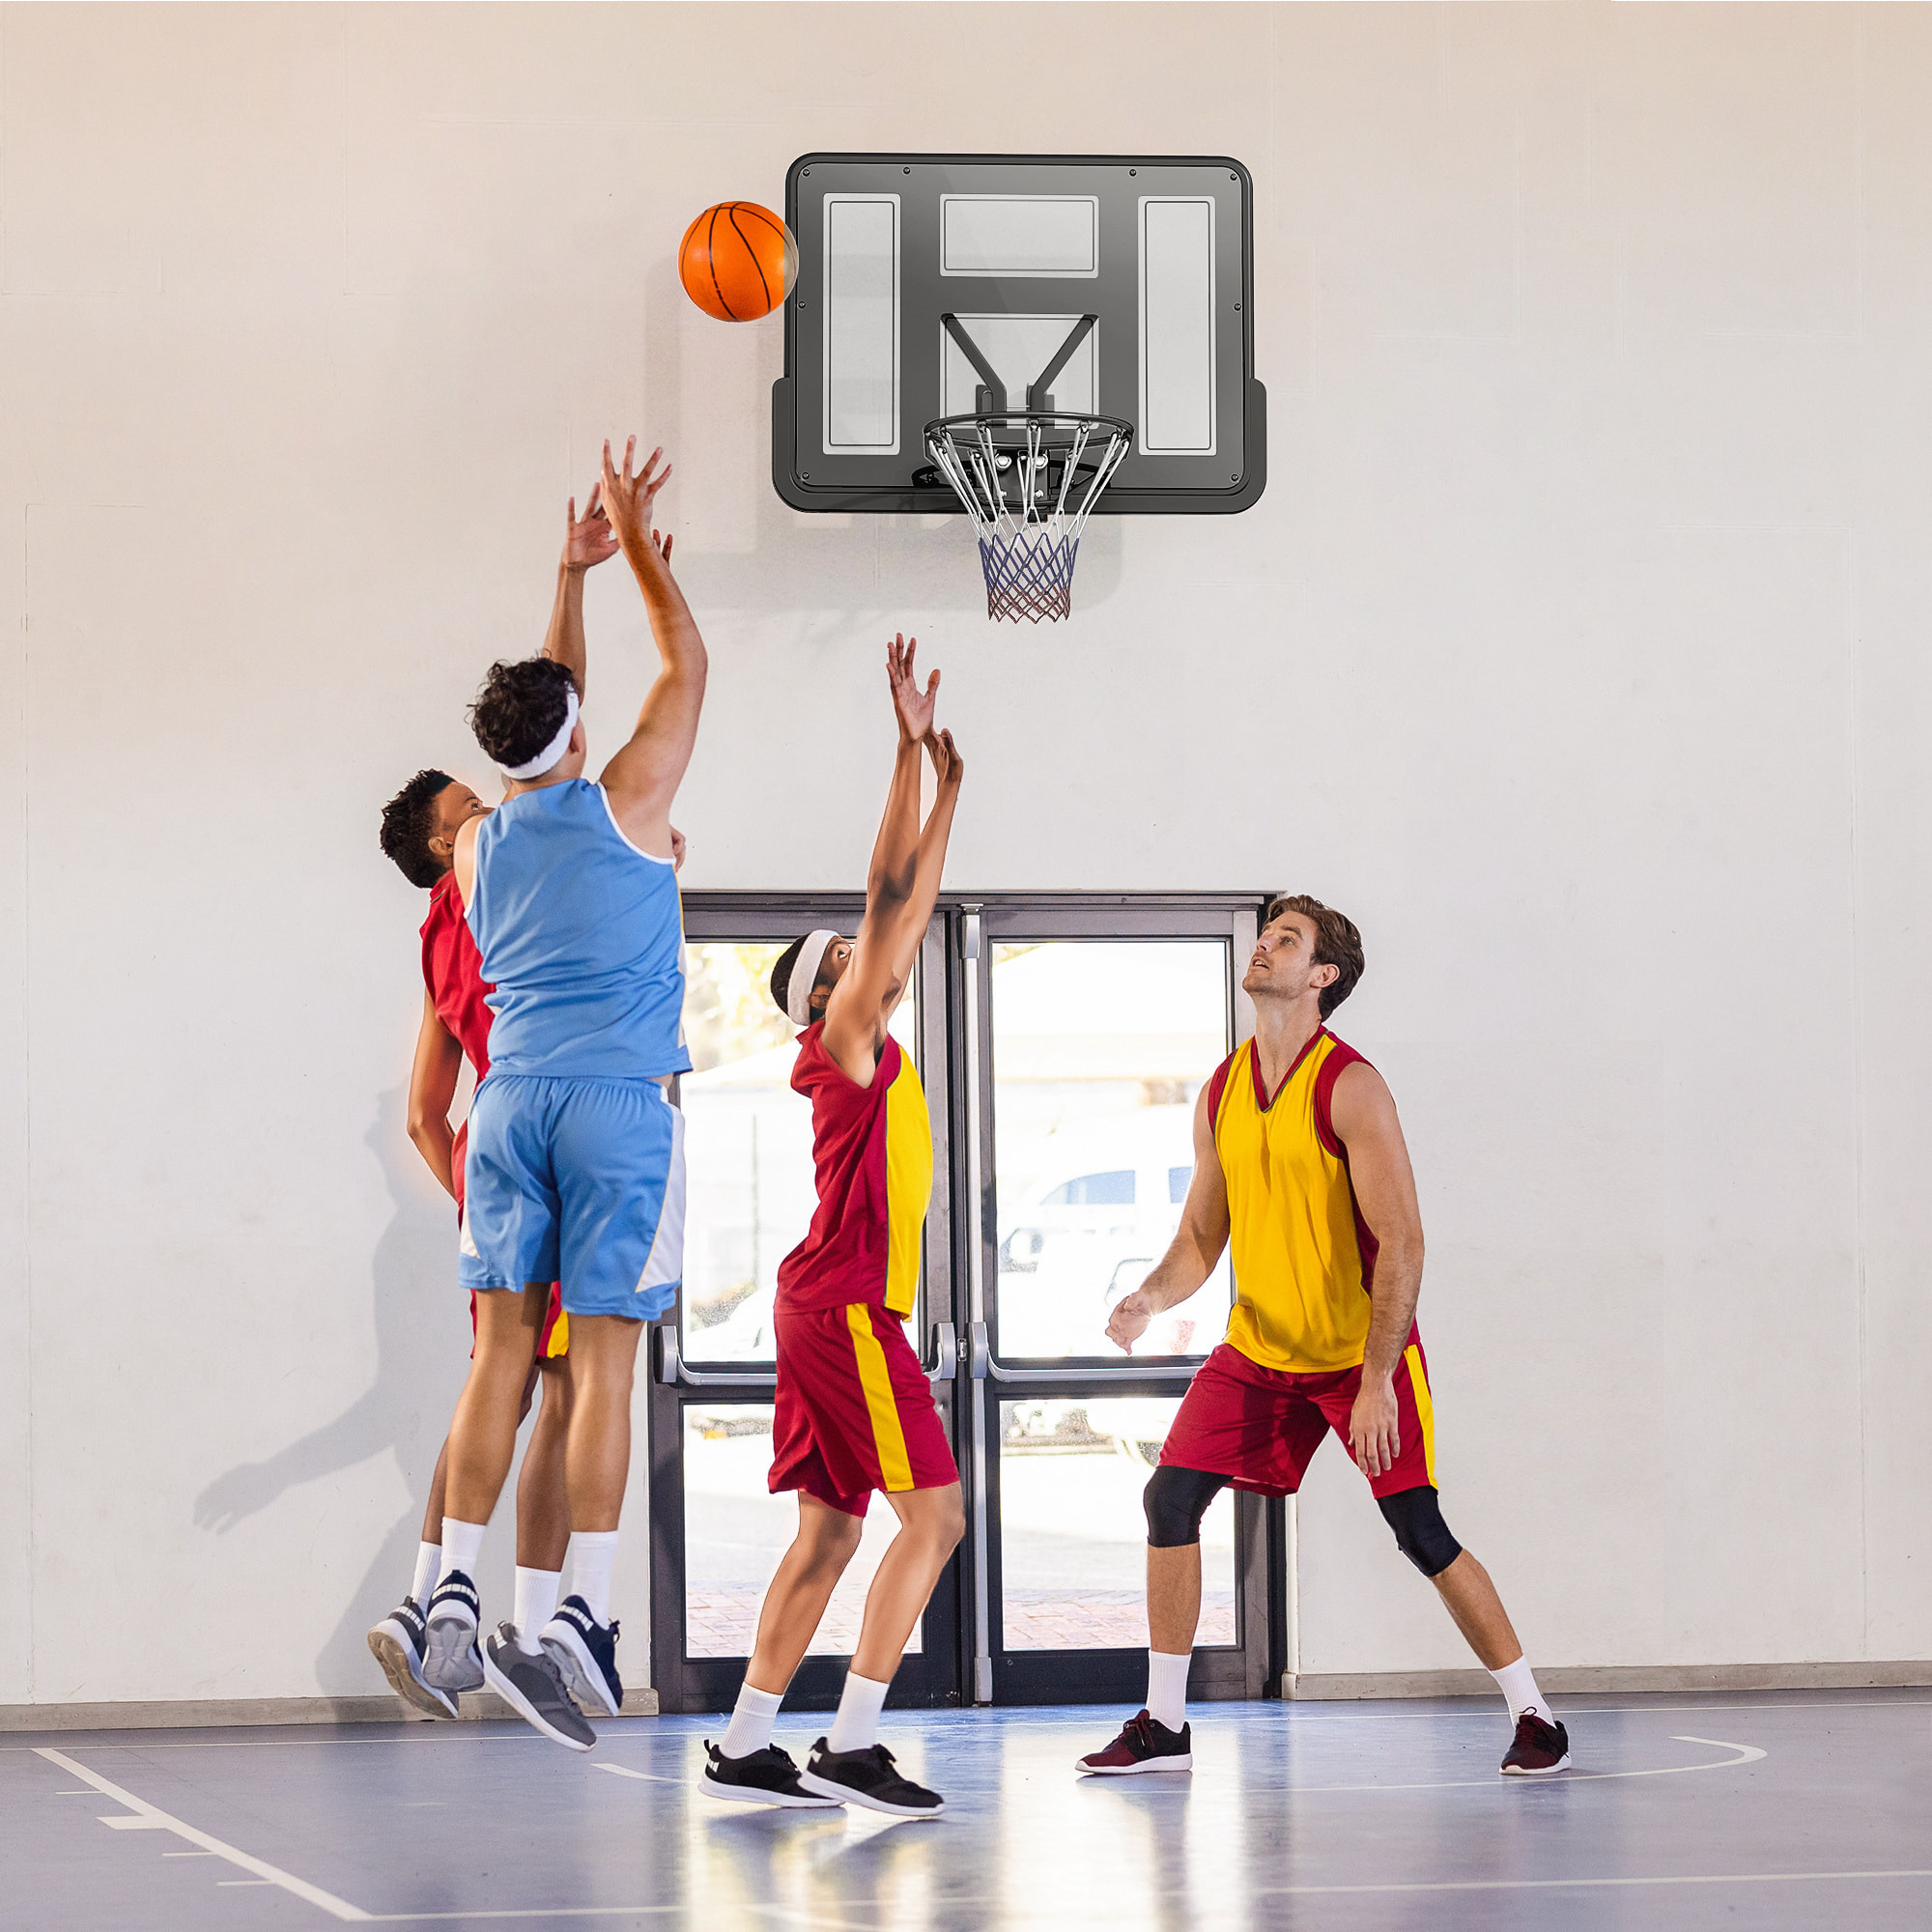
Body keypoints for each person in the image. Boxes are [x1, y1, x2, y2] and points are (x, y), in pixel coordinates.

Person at [1075, 895, 1571, 1780]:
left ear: (1322, 976)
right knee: (1169, 1504)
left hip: (1357, 1357)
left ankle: (1534, 1713)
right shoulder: (1224, 1088)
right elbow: (1201, 1236)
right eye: (1265, 936)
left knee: (1419, 1529)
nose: (1264, 947)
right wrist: (1148, 1297)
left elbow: (1405, 1241)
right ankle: (1163, 1723)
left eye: (1286, 941)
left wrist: (1380, 1374)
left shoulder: (1351, 1085)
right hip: (1259, 1353)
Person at [420, 440, 704, 1752]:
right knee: (602, 1373)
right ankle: (576, 1616)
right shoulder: (631, 798)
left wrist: (564, 574)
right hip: (614, 1111)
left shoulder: (477, 842)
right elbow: (684, 666)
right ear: (581, 732)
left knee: (496, 1366)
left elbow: (546, 708)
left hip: (510, 1108)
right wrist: (635, 542)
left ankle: (453, 1589)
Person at [365, 485, 619, 1718]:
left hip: (498, 1151)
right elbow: (558, 725)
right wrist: (577, 576)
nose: (484, 800)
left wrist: (469, 1199)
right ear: (446, 846)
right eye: (463, 808)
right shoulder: (504, 870)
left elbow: (425, 1107)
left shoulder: (439, 927)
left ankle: (433, 1598)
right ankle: (539, 1620)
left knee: (499, 1382)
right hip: (570, 1124)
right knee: (567, 1389)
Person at [699, 636, 965, 1818]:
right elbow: (886, 896)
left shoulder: (859, 1036)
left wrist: (946, 787)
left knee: (825, 1532)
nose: (873, 956)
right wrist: (901, 752)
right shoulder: (844, 1041)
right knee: (938, 1516)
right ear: (825, 991)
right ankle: (852, 1741)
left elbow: (907, 907)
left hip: (820, 1304)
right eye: (851, 962)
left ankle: (748, 1740)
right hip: (850, 1307)